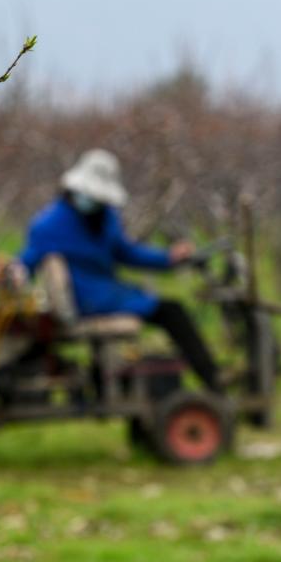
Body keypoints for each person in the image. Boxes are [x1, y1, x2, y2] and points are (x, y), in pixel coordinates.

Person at [16, 149, 223, 394]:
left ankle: (210, 378)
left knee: (171, 310)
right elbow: (26, 261)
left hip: (110, 294)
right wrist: (12, 272)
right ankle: (214, 382)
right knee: (172, 312)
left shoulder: (104, 217)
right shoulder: (49, 225)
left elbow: (126, 252)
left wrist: (169, 258)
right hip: (90, 301)